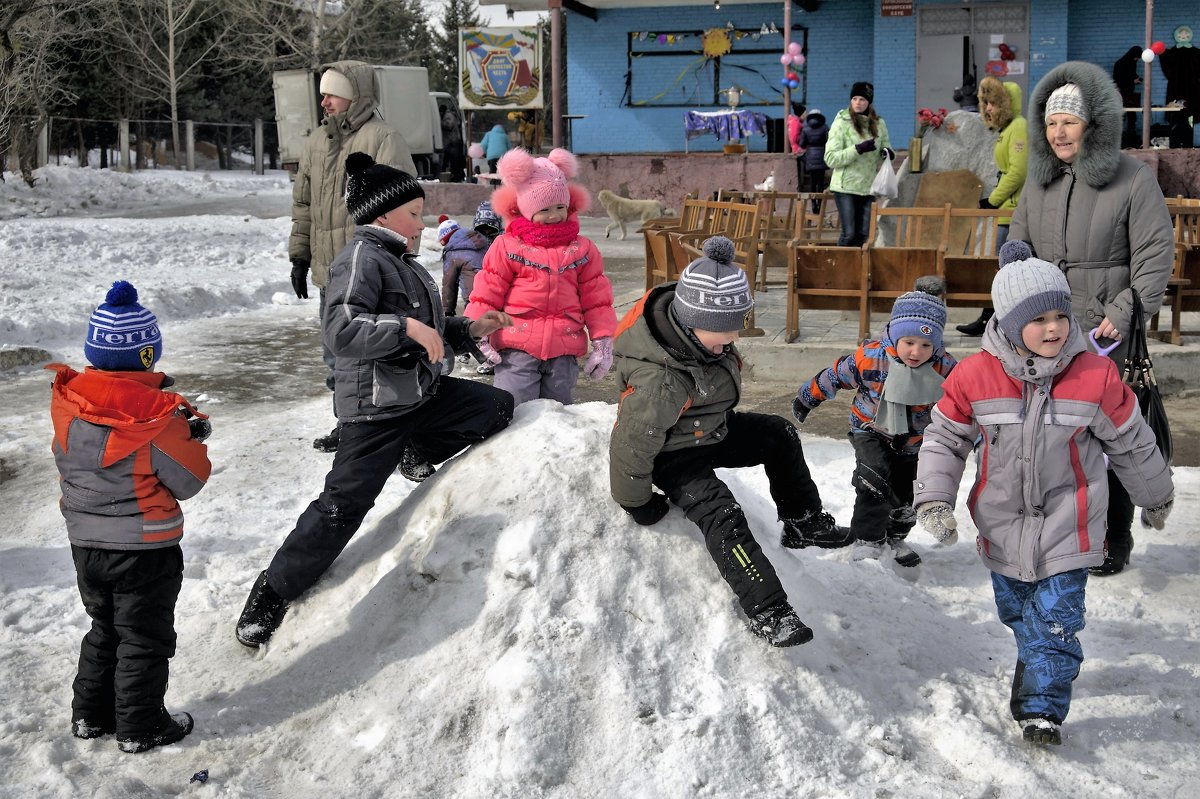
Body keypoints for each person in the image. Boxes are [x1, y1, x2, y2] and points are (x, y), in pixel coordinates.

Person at [236, 154, 515, 649]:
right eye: (414, 213)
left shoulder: (400, 260)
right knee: (343, 506)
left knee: (494, 408)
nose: (422, 223)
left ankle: (416, 451)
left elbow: (428, 327)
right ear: (383, 216)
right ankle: (272, 591)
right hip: (376, 409)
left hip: (420, 395)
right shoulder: (361, 258)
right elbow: (340, 329)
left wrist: (470, 329)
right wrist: (405, 327)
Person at [914, 244, 1173, 746]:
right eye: (1038, 320)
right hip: (1003, 525)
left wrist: (1154, 493)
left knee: (1057, 620)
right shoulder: (974, 376)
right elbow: (945, 438)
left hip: (1068, 522)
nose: (1054, 328)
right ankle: (1034, 661)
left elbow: (1130, 440)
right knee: (1019, 614)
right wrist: (934, 498)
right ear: (1010, 325)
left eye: (1061, 315)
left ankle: (1041, 711)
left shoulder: (1095, 377)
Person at [609, 236, 853, 647]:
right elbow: (630, 445)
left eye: (734, 332)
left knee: (778, 433)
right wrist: (636, 503)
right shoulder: (660, 382)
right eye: (722, 335)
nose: (730, 342)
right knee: (722, 514)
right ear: (689, 322)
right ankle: (770, 611)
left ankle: (803, 521)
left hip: (710, 431)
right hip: (673, 454)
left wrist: (719, 345)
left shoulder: (700, 339)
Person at [1008, 61, 1174, 577]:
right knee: (1053, 434)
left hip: (1105, 332)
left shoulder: (1133, 178)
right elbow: (1019, 241)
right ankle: (1063, 531)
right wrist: (1013, 268)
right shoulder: (1039, 182)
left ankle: (1113, 535)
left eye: (1069, 121)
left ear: (1093, 125)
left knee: (1112, 432)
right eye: (1052, 122)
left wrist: (1123, 312)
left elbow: (1154, 255)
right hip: (1048, 330)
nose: (1058, 132)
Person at [49, 281, 212, 753]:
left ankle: (90, 716)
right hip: (145, 550)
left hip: (86, 546)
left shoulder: (69, 406)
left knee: (105, 629)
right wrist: (191, 436)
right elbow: (190, 480)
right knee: (144, 637)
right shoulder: (158, 419)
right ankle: (142, 726)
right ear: (148, 356)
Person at [288, 61, 417, 454]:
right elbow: (304, 203)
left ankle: (399, 430)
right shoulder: (315, 142)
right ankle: (347, 425)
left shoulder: (383, 137)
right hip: (332, 273)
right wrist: (300, 256)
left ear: (355, 95)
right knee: (337, 357)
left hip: (374, 269)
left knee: (383, 355)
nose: (324, 101)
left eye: (332, 93)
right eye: (322, 94)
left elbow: (404, 204)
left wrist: (402, 263)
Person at [793, 289, 956, 567]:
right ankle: (867, 538)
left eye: (926, 345)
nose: (916, 352)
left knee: (910, 491)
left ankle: (896, 536)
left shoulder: (944, 368)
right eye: (909, 342)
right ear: (894, 336)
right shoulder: (870, 357)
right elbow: (835, 376)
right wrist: (807, 398)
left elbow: (963, 399)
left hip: (916, 439)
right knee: (874, 478)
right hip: (871, 429)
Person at [464, 147, 617, 406]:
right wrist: (476, 331)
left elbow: (596, 299)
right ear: (525, 208)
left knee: (555, 417)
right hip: (516, 348)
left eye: (561, 206)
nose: (555, 215)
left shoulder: (582, 249)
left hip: (564, 349)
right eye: (545, 208)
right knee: (514, 412)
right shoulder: (507, 246)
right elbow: (486, 293)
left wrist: (602, 339)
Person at [957, 75, 1028, 336]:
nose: (987, 109)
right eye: (985, 103)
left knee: (1004, 269)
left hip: (1012, 210)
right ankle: (991, 318)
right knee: (999, 268)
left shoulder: (1018, 126)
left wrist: (994, 200)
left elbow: (1018, 172)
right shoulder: (1007, 130)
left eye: (993, 103)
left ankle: (996, 320)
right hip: (1005, 208)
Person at [825, 81, 894, 247]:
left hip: (868, 186)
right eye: (854, 98)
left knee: (863, 235)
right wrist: (857, 149)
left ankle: (855, 271)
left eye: (862, 99)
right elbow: (830, 158)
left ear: (869, 102)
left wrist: (887, 153)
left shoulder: (879, 123)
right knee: (849, 234)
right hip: (845, 187)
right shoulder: (841, 123)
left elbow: (885, 144)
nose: (857, 102)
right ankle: (839, 269)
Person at [441, 200, 501, 316]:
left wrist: (448, 310)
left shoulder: (455, 249)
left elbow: (449, 283)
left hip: (474, 303)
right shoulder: (504, 243)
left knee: (475, 331)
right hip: (498, 302)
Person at [796, 107, 830, 211]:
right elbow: (829, 141)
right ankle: (819, 204)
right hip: (822, 156)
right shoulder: (824, 127)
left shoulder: (806, 128)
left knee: (812, 181)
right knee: (820, 182)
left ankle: (813, 204)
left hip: (810, 156)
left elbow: (802, 144)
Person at [439, 103, 466, 182]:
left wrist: (440, 123)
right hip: (452, 141)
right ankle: (456, 175)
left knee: (454, 161)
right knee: (452, 160)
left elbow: (449, 125)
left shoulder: (448, 116)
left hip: (453, 141)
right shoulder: (449, 115)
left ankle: (457, 176)